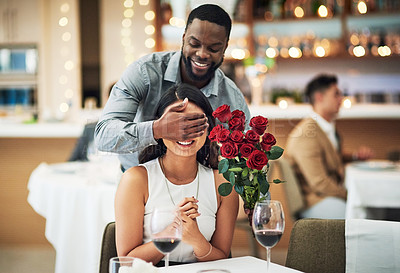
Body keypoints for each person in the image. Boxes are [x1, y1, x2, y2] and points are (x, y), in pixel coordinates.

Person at [94, 4, 250, 171]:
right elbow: (104, 137)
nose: (202, 54)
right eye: (194, 43)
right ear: (183, 38)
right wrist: (157, 129)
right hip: (138, 184)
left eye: (213, 48)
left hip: (202, 189)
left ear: (225, 48)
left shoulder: (232, 98)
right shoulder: (144, 72)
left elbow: (250, 163)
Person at [114, 83, 238, 265]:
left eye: (194, 122)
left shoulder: (222, 183)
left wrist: (196, 239)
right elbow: (126, 262)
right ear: (159, 127)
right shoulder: (136, 179)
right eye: (175, 124)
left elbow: (222, 258)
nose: (185, 133)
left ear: (209, 128)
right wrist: (171, 233)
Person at [285, 74, 373, 219]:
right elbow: (319, 183)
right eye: (336, 94)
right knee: (365, 214)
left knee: (371, 210)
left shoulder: (323, 127)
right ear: (320, 97)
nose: (341, 99)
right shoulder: (307, 134)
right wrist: (352, 195)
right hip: (314, 201)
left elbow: (330, 155)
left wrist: (355, 156)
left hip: (326, 195)